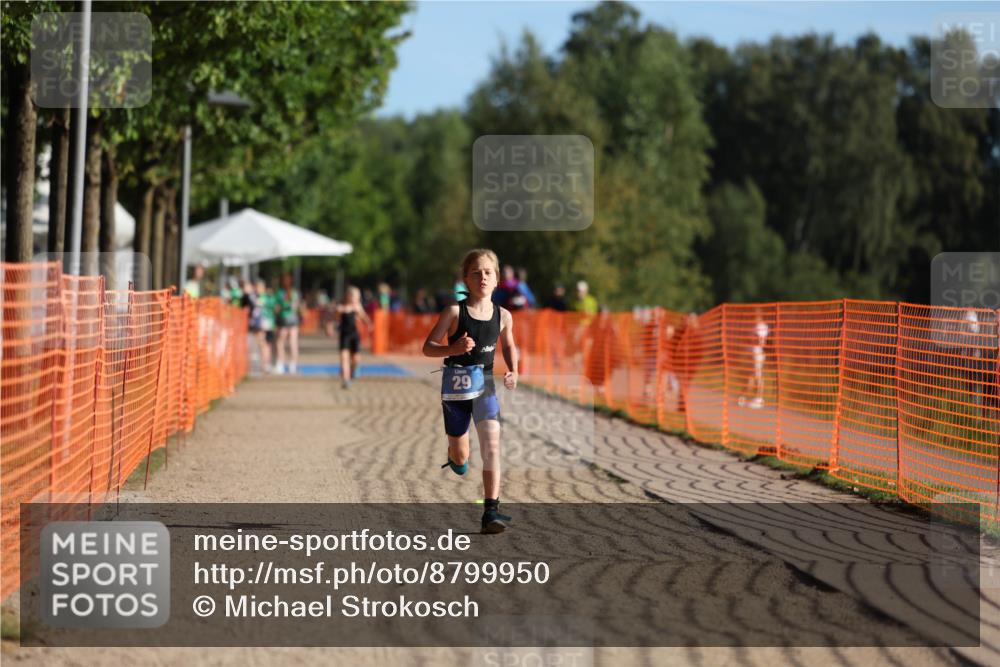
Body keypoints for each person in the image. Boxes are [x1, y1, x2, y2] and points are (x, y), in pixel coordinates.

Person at [422, 248, 519, 534]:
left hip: (485, 385)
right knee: (462, 456)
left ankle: (491, 511)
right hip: (455, 388)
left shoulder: (503, 316)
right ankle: (454, 455)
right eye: (476, 272)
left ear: (497, 278)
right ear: (466, 279)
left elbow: (510, 345)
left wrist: (513, 369)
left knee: (492, 446)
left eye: (488, 272)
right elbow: (428, 347)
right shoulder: (454, 312)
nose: (483, 277)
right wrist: (452, 348)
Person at [336, 286, 372, 389]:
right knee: (344, 358)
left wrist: (369, 324)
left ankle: (352, 371)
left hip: (354, 335)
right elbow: (335, 319)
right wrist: (337, 314)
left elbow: (363, 317)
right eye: (355, 297)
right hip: (344, 335)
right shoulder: (341, 307)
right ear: (348, 296)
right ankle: (346, 380)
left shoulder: (357, 307)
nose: (357, 299)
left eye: (358, 297)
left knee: (356, 359)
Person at [241, 279, 271, 375]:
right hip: (258, 324)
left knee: (262, 343)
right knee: (260, 343)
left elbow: (256, 305)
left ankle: (264, 364)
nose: (257, 289)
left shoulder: (263, 298)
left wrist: (249, 293)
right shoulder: (257, 296)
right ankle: (263, 365)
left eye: (258, 287)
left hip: (262, 324)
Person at [274, 273, 302, 374]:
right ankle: (293, 365)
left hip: (284, 319)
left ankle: (280, 364)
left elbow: (277, 308)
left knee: (280, 342)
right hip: (294, 319)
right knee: (293, 343)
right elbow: (298, 307)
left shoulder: (280, 293)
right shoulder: (295, 293)